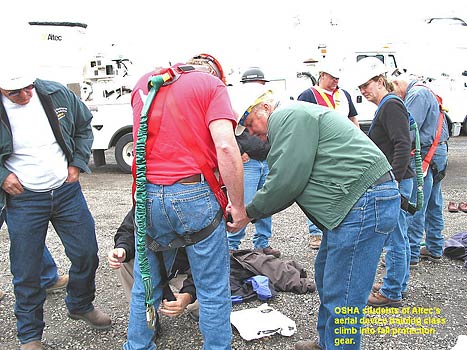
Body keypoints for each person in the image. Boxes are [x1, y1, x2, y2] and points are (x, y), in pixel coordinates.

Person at [227, 84, 400, 350]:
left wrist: (248, 213)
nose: (252, 133)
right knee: (327, 277)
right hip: (354, 205)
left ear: (265, 107)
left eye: (250, 124)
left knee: (344, 295)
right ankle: (328, 343)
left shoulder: (287, 116)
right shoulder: (293, 118)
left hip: (363, 202)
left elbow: (286, 179)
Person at [124, 53, 244, 350]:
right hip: (193, 194)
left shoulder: (146, 84)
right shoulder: (210, 86)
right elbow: (227, 147)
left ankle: (138, 345)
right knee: (213, 288)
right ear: (216, 74)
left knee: (145, 286)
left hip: (148, 196)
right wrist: (239, 207)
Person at [0, 60, 111, 350]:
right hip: (24, 198)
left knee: (87, 253)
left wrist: (77, 162)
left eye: (28, 88)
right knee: (26, 270)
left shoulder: (56, 94)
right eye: (15, 93)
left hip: (65, 192)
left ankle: (80, 303)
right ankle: (30, 335)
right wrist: (2, 176)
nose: (25, 96)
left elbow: (84, 126)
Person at [354, 57, 414, 307]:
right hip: (398, 178)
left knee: (396, 237)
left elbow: (403, 144)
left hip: (396, 180)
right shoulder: (389, 105)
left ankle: (391, 292)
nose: (363, 91)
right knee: (400, 235)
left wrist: (395, 182)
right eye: (359, 88)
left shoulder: (391, 105)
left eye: (366, 85)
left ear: (381, 81)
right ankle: (397, 282)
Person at [297, 58, 360, 250]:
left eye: (338, 78)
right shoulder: (308, 95)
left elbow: (353, 119)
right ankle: (315, 231)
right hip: (320, 152)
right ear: (322, 75)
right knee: (318, 190)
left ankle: (336, 224)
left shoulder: (344, 95)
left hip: (345, 152)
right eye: (333, 78)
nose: (336, 82)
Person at [391, 70, 449, 265]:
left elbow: (408, 128)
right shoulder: (426, 91)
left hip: (425, 154)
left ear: (398, 84)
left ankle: (412, 253)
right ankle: (434, 247)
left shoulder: (416, 95)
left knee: (416, 204)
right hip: (437, 152)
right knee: (434, 202)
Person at [227, 67, 279, 258]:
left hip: (266, 160)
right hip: (248, 162)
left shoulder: (269, 108)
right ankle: (232, 244)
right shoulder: (238, 106)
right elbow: (227, 132)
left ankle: (262, 243)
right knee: (242, 203)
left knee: (266, 203)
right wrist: (238, 153)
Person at [107, 207, 198, 315]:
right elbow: (128, 230)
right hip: (151, 267)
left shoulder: (199, 206)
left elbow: (211, 263)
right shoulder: (149, 198)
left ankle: (191, 305)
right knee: (122, 260)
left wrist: (189, 294)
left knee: (212, 304)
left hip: (185, 273)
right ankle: (145, 313)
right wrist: (123, 248)